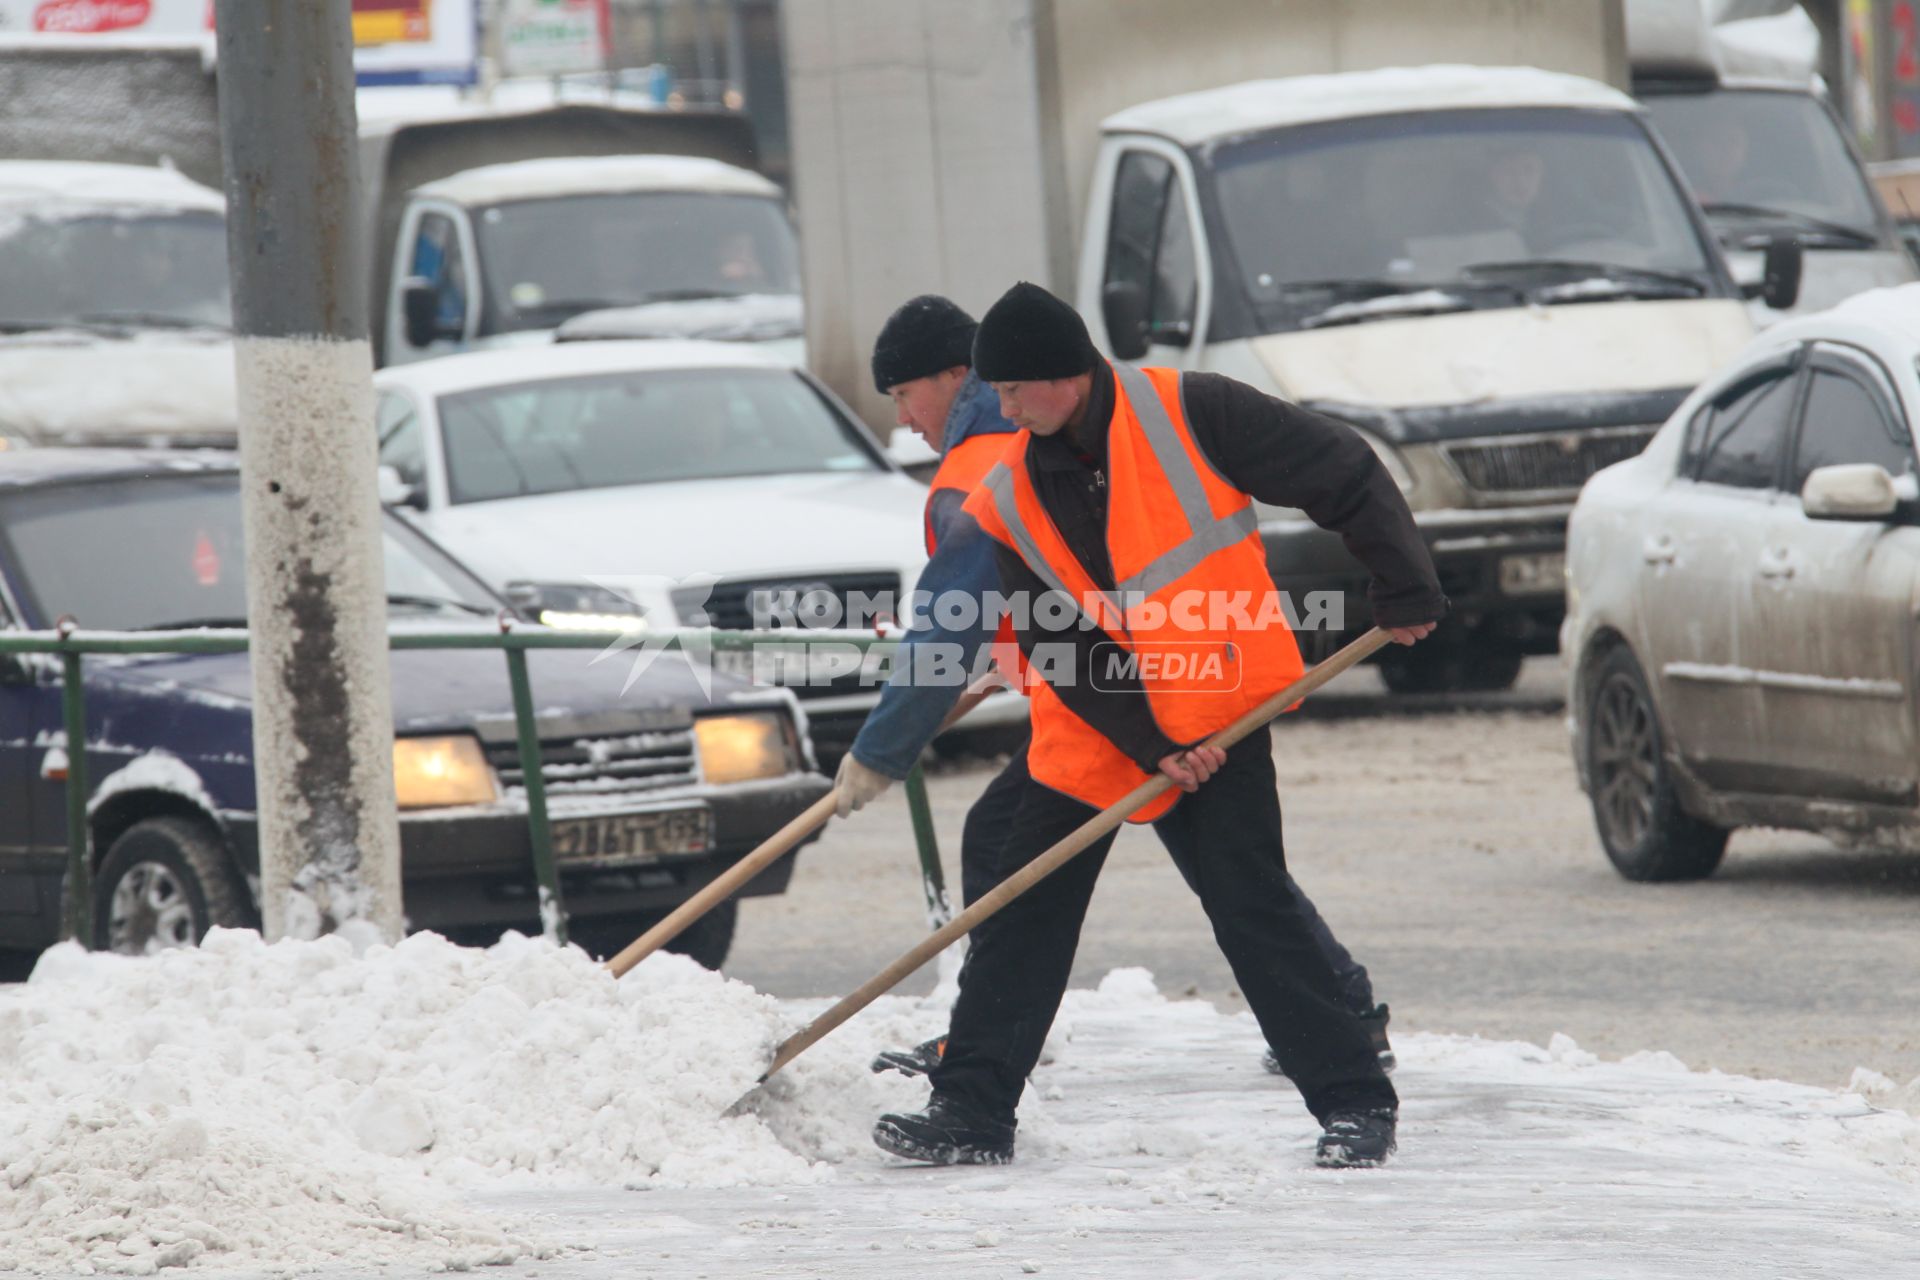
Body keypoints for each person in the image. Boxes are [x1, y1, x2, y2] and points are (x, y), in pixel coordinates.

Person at [871, 282, 1445, 1171]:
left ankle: (1355, 1104)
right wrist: (1152, 744)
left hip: (1219, 704)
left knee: (1250, 906)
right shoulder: (1014, 486)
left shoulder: (1193, 409)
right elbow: (1057, 638)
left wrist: (1401, 584)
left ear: (1068, 377)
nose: (1005, 411)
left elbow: (1342, 468)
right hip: (1099, 721)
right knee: (1024, 905)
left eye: (1017, 392)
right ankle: (972, 1113)